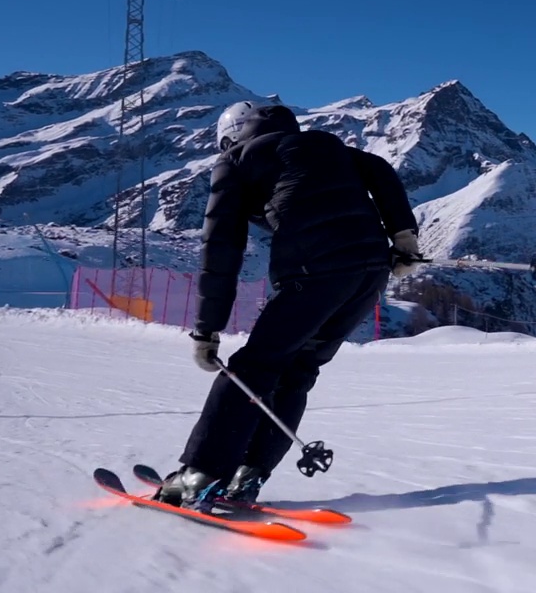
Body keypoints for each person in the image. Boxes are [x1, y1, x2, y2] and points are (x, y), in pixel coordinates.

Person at [155, 100, 421, 509]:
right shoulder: (328, 146)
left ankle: (199, 475)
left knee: (252, 370)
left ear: (235, 135)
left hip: (314, 274)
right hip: (370, 274)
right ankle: (248, 476)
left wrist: (207, 329)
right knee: (297, 371)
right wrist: (403, 237)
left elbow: (221, 249)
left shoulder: (237, 160)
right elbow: (380, 170)